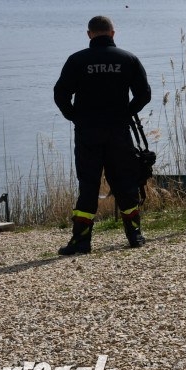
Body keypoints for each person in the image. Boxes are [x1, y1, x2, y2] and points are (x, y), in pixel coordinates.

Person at [53, 15, 152, 255]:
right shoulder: (128, 59)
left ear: (89, 34)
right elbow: (144, 94)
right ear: (113, 34)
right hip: (119, 131)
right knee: (125, 182)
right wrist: (126, 112)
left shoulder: (77, 60)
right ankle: (135, 235)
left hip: (88, 133)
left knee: (88, 184)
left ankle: (81, 241)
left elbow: (60, 94)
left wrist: (75, 116)